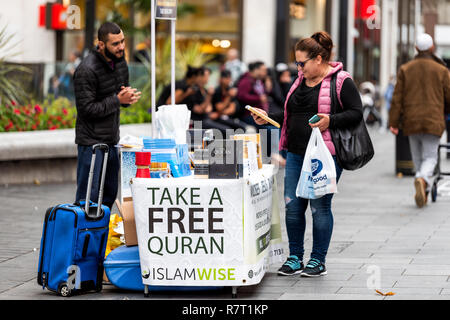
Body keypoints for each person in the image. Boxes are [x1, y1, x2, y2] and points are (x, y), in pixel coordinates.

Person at [251, 31, 363, 277]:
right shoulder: (300, 80)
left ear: (319, 59)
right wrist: (268, 117)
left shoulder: (341, 81)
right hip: (295, 152)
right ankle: (294, 257)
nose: (298, 68)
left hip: (325, 156)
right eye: (297, 63)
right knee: (293, 206)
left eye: (302, 63)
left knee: (319, 208)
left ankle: (318, 260)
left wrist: (330, 120)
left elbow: (356, 113)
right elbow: (292, 115)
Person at [73, 22, 141, 210]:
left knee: (109, 196)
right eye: (115, 44)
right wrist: (117, 100)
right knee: (88, 199)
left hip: (112, 141)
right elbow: (86, 109)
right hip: (91, 144)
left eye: (122, 42)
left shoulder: (120, 62)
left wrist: (126, 98)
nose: (121, 47)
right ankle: (83, 237)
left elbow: (118, 95)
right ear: (101, 44)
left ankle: (101, 238)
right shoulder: (86, 70)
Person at [389, 33, 450, 208]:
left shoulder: (406, 69)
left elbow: (397, 98)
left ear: (416, 48)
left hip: (411, 121)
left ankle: (422, 181)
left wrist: (393, 122)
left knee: (417, 158)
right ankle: (422, 180)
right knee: (430, 157)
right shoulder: (441, 70)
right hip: (433, 120)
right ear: (432, 48)